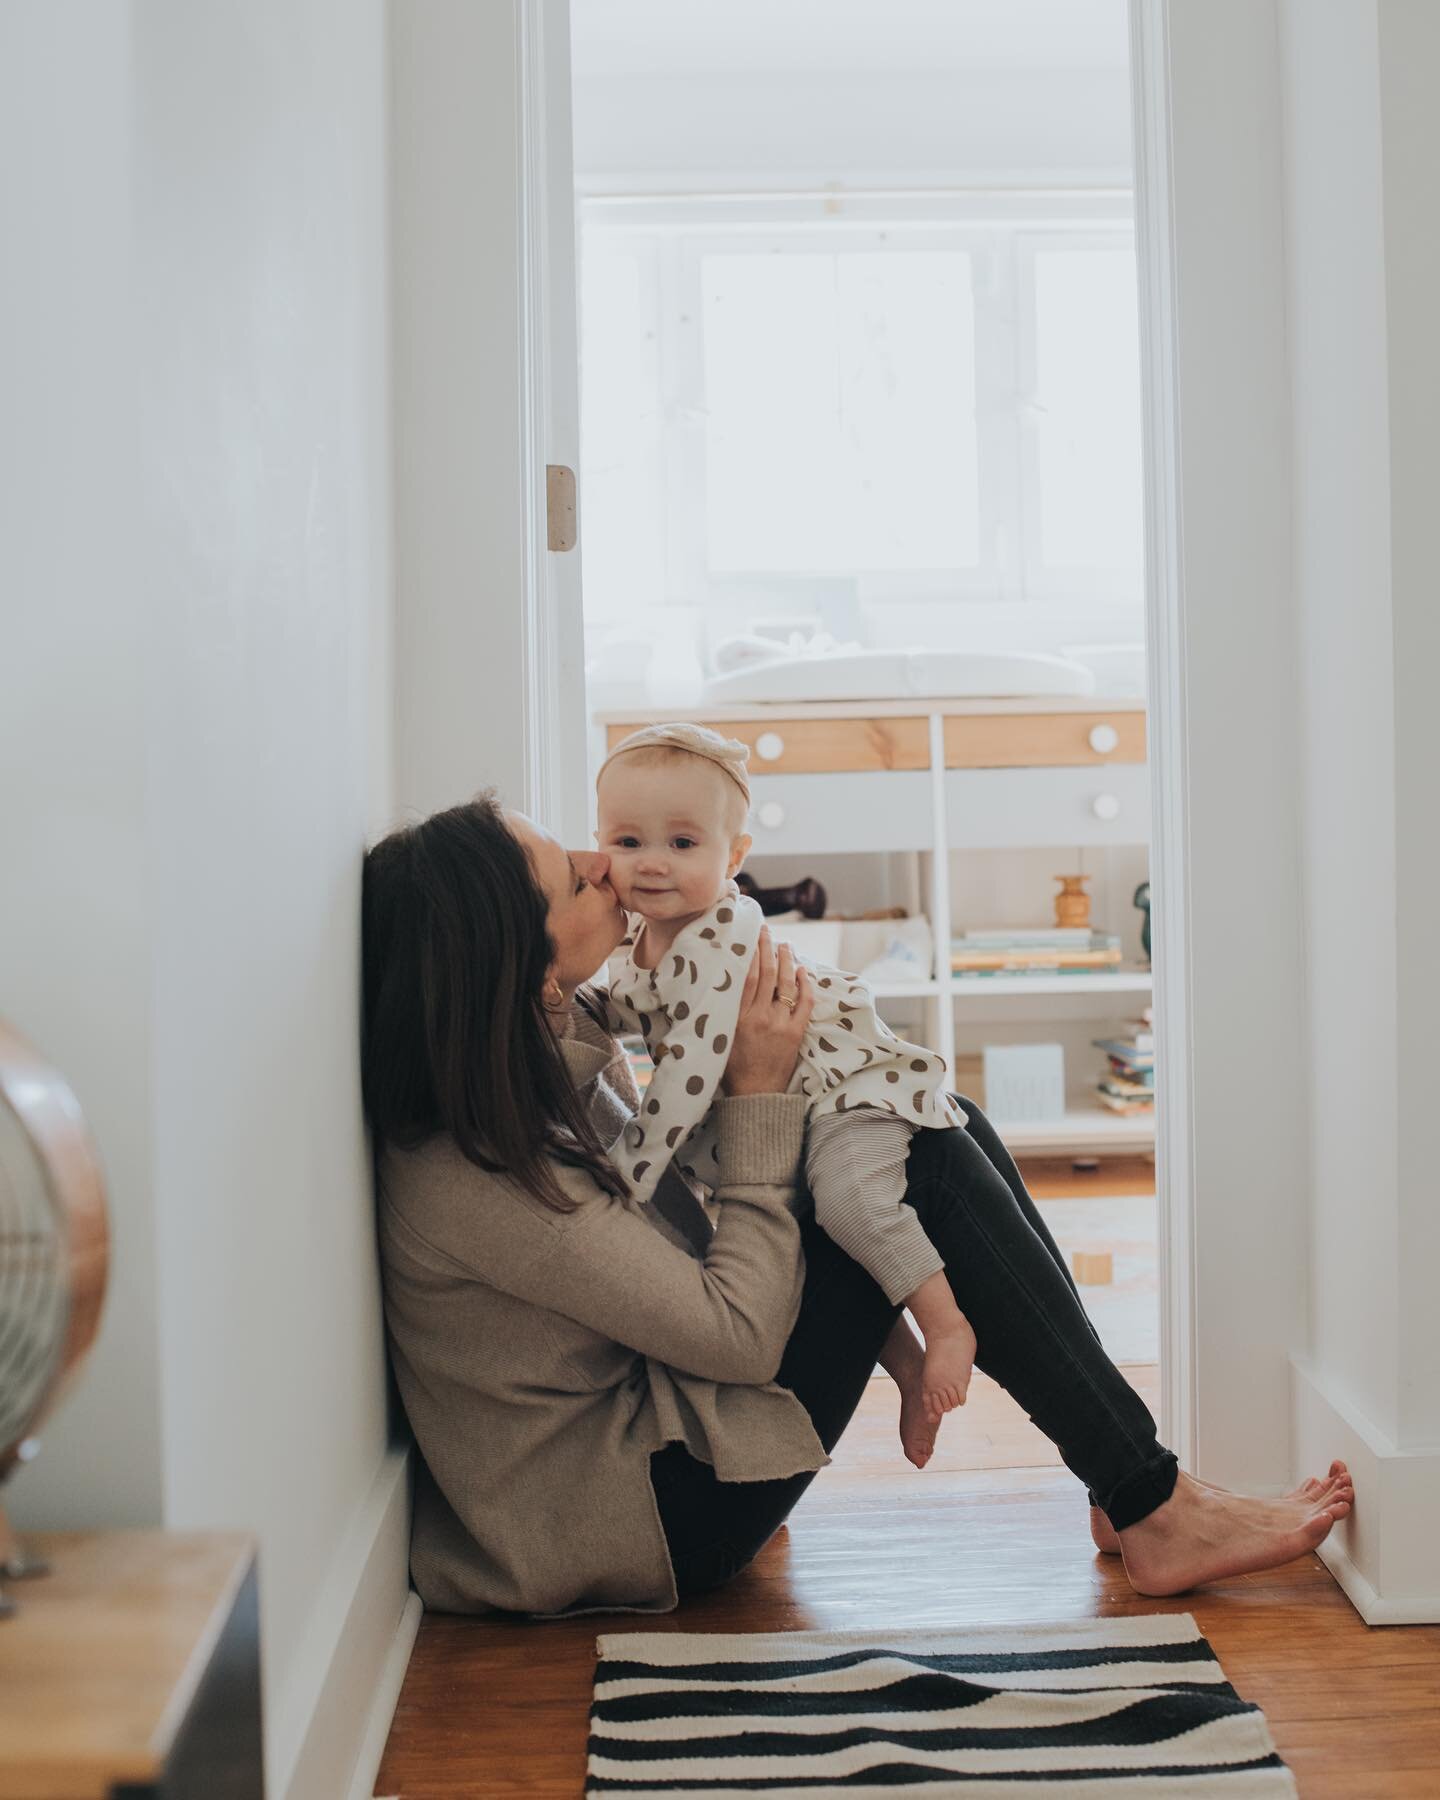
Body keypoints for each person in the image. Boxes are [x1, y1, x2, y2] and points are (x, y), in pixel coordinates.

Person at [361, 793, 1352, 1620]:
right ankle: (1149, 1503)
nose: (604, 863)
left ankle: (1127, 1482)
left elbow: (684, 1237)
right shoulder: (485, 1177)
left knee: (929, 1114)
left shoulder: (532, 1064)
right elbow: (739, 1335)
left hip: (652, 1434)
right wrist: (758, 1094)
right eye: (574, 877)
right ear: (527, 970)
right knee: (911, 1150)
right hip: (648, 1516)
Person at [596, 721, 976, 1461]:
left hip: (840, 1087)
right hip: (787, 1108)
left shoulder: (714, 937)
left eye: (682, 844)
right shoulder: (645, 933)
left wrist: (629, 1168)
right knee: (815, 1248)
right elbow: (631, 1005)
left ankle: (947, 1321)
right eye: (627, 841)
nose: (651, 865)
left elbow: (691, 1072)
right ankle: (902, 1367)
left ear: (734, 856)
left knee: (851, 1203)